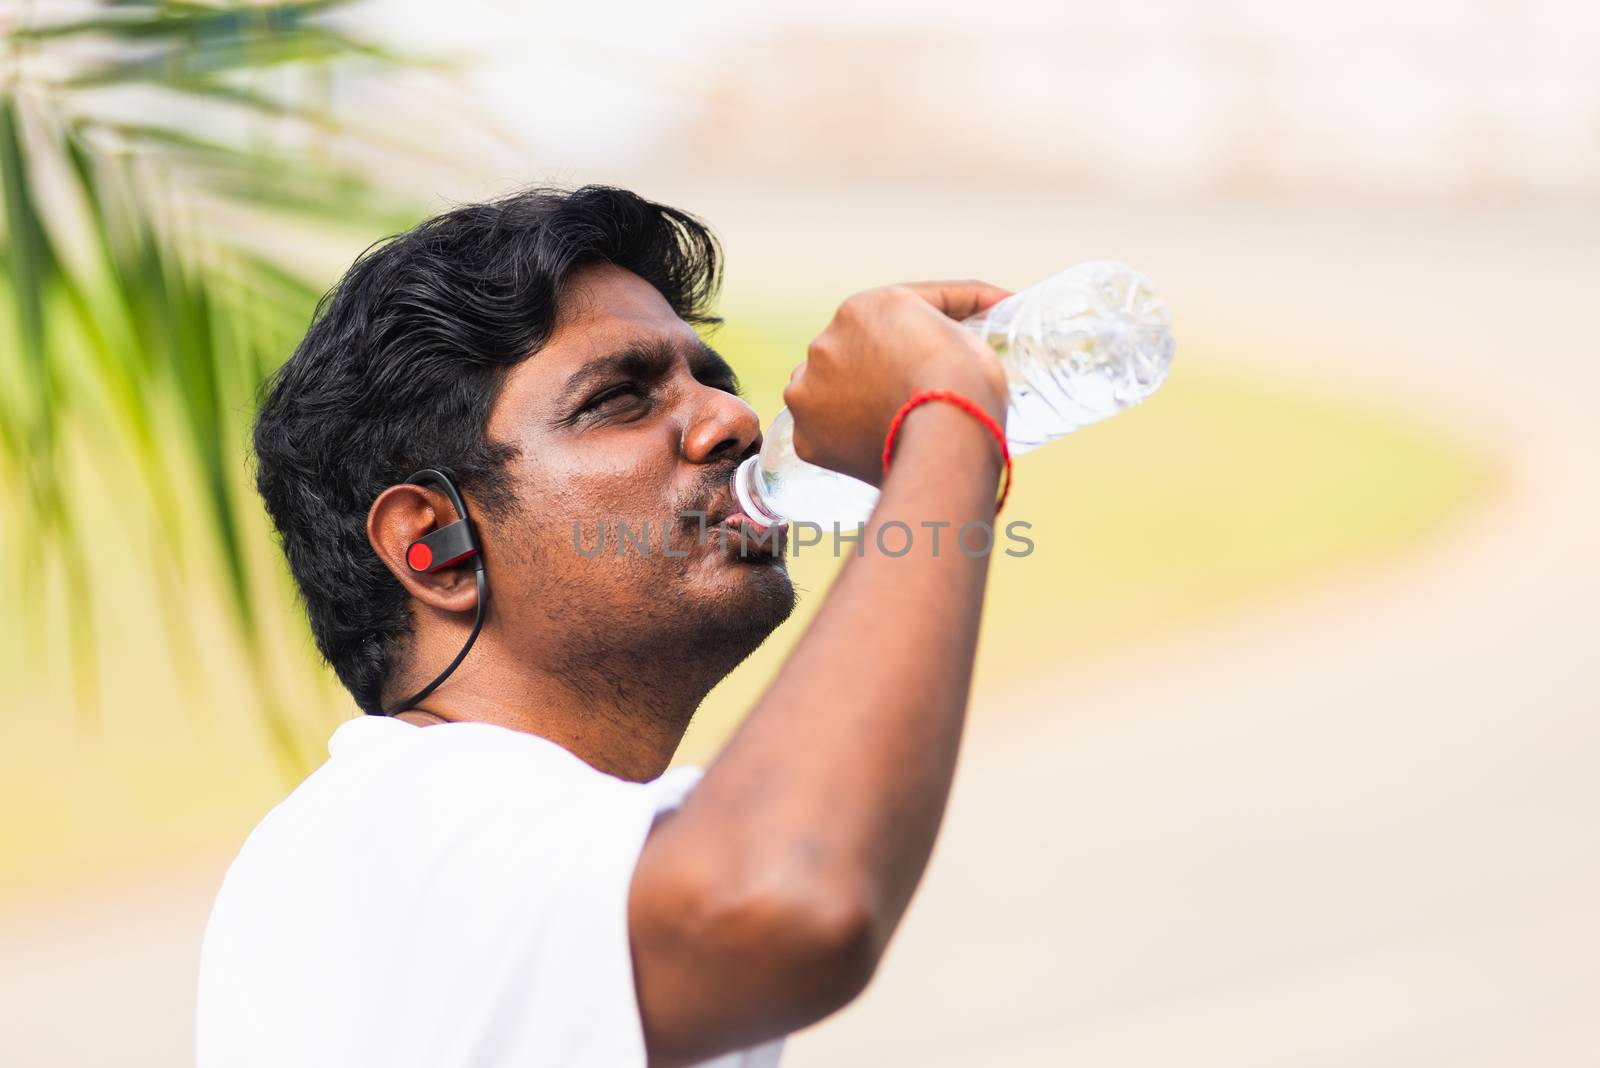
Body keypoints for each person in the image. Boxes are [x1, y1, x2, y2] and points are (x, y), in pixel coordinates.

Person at [197, 185, 1012, 1067]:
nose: (734, 421)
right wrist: (946, 418)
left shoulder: (556, 838)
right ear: (435, 544)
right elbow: (797, 896)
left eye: (713, 381)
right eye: (618, 399)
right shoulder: (398, 828)